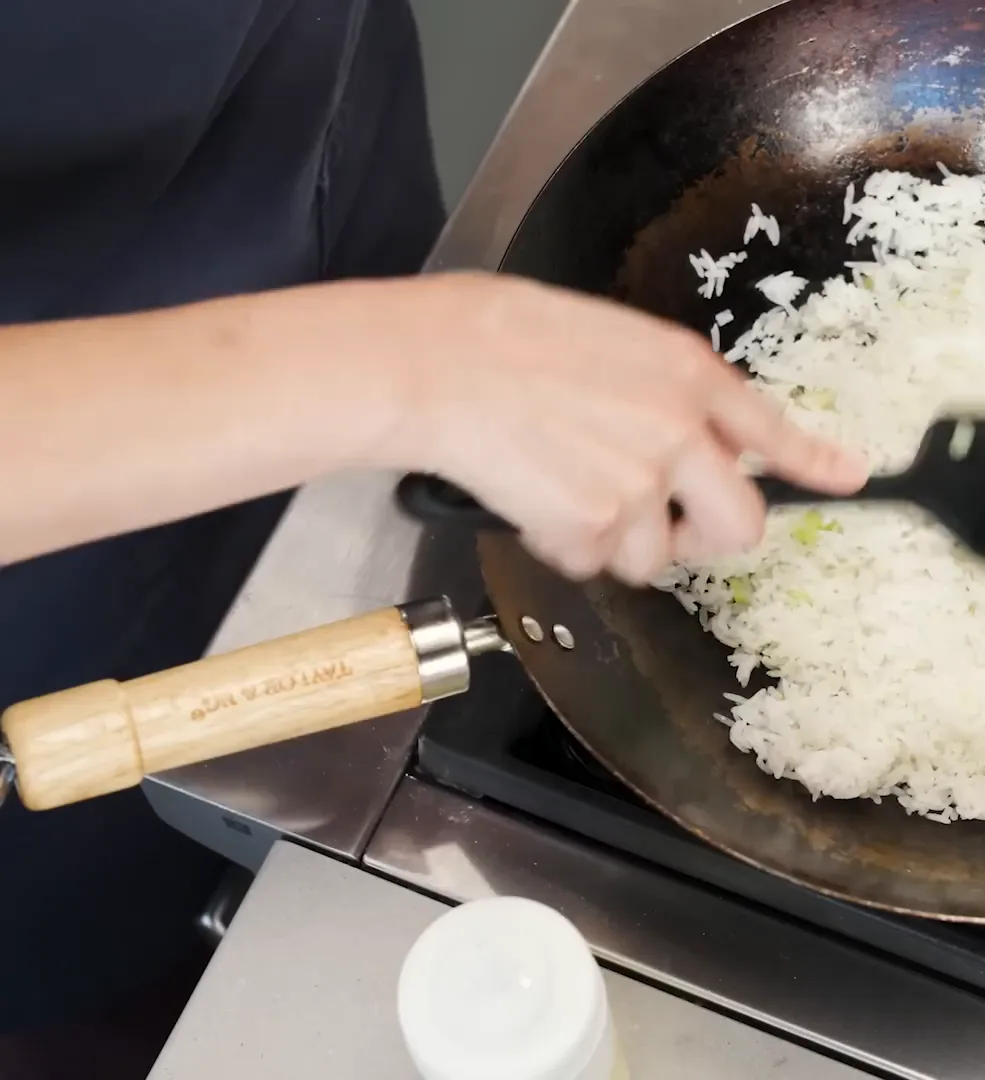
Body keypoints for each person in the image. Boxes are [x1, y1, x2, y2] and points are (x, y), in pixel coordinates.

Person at [0, 0, 863, 1062]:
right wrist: (396, 368)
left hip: (289, 148)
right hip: (55, 576)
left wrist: (413, 360)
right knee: (145, 960)